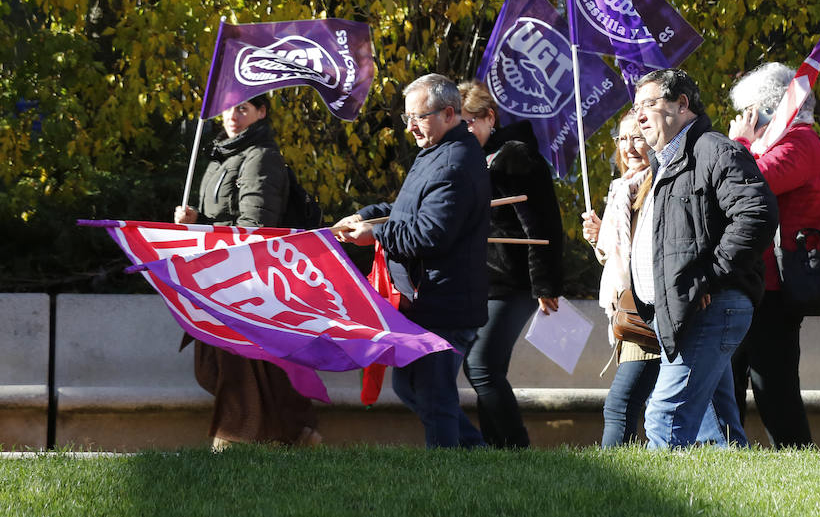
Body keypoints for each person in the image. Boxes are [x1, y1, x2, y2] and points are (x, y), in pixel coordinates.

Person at [335, 74, 491, 449]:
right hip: (427, 302)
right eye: (407, 118)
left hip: (444, 305)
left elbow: (428, 235)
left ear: (449, 113)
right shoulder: (437, 151)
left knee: (434, 396)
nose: (410, 128)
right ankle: (477, 456)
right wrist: (368, 215)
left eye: (418, 117)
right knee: (410, 386)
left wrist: (375, 235)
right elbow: (406, 209)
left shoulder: (454, 160)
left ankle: (447, 479)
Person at [631, 68, 779, 449]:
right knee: (720, 435)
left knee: (664, 418)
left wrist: (709, 277)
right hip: (684, 311)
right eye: (636, 108)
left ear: (682, 105)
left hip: (711, 307)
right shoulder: (665, 163)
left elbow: (756, 214)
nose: (640, 116)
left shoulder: (714, 149)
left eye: (649, 104)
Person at [174, 94, 321, 449]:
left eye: (242, 108)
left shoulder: (261, 157)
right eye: (228, 108)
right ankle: (294, 435)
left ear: (261, 113)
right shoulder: (221, 157)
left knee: (242, 364)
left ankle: (238, 439)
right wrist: (197, 223)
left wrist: (209, 234)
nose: (232, 116)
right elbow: (223, 221)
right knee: (222, 365)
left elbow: (255, 227)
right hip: (220, 276)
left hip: (247, 279)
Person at [454, 81, 564, 449]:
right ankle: (497, 451)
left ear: (489, 117)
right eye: (459, 123)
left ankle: (516, 449)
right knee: (486, 368)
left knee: (481, 366)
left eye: (470, 122)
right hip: (482, 281)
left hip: (512, 281)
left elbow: (543, 224)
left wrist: (545, 285)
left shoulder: (515, 156)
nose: (465, 131)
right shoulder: (474, 156)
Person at [725, 63, 820, 448]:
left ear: (770, 108)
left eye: (751, 110)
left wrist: (740, 142)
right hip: (756, 281)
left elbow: (746, 183)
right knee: (731, 380)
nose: (746, 119)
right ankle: (726, 457)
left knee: (775, 387)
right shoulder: (783, 142)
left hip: (775, 286)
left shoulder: (801, 141)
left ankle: (797, 458)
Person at [581, 112, 660, 446]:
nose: (629, 146)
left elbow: (644, 251)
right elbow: (618, 254)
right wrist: (601, 237)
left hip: (646, 310)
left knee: (620, 404)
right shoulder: (621, 189)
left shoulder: (655, 184)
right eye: (622, 139)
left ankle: (611, 481)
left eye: (638, 137)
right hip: (627, 307)